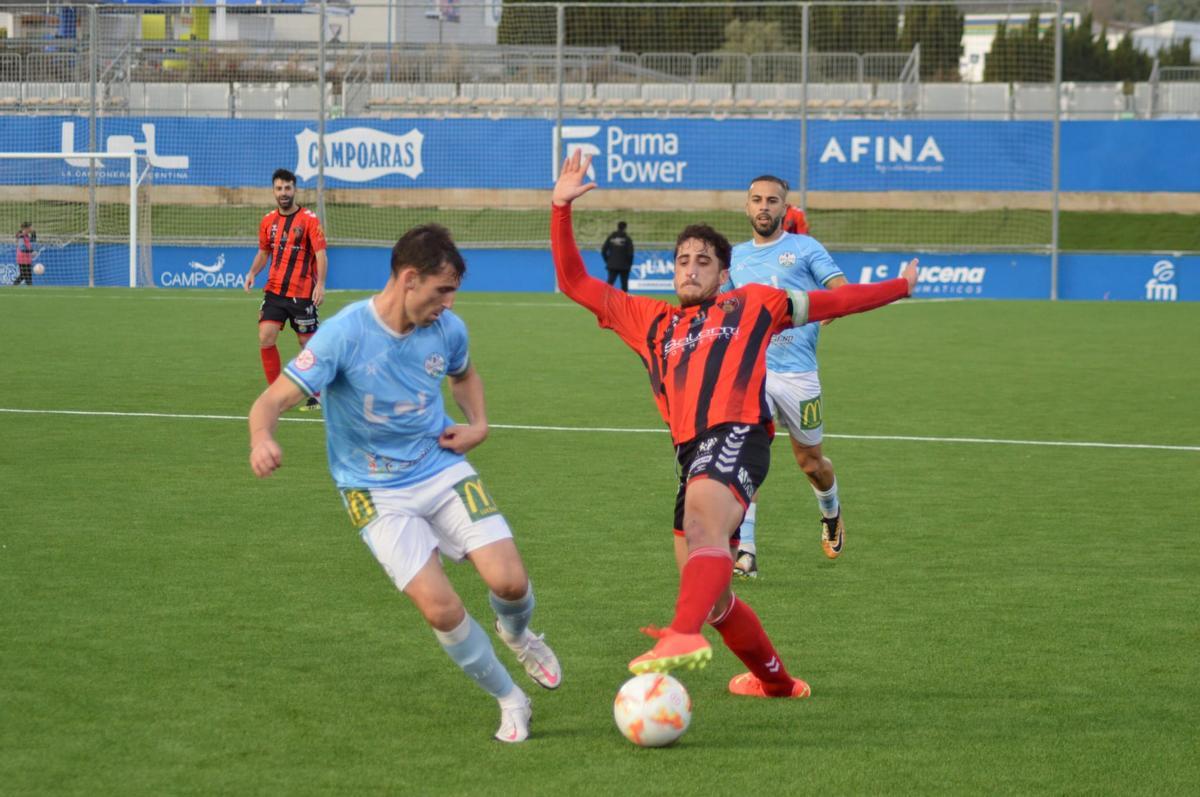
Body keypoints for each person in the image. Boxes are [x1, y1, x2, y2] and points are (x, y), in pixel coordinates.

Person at [550, 150, 915, 697]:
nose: (690, 268)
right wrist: (560, 207)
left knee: (705, 537)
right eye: (682, 260)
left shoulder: (755, 303)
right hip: (691, 455)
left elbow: (835, 300)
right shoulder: (649, 320)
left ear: (724, 274)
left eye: (703, 261)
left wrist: (899, 287)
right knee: (715, 595)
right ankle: (777, 683)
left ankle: (681, 633)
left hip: (738, 436)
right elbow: (575, 281)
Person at [248, 224, 561, 743]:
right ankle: (511, 699)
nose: (449, 304)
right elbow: (270, 401)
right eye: (442, 290)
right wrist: (262, 438)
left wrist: (479, 425)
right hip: (372, 492)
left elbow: (464, 375)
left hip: (439, 465)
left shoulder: (448, 329)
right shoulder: (344, 335)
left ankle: (519, 634)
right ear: (410, 279)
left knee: (510, 582)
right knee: (442, 609)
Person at [727, 176, 847, 579]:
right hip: (753, 372)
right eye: (757, 200)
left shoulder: (805, 248)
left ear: (784, 209)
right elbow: (722, 308)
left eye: (772, 201)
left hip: (799, 374)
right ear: (747, 207)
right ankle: (746, 550)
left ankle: (830, 512)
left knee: (810, 463)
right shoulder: (735, 258)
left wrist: (830, 307)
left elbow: (840, 289)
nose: (764, 207)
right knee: (744, 457)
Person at [244, 168, 328, 411]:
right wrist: (252, 273)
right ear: (273, 191)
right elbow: (264, 252)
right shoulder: (267, 221)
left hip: (302, 293)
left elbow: (321, 254)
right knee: (265, 336)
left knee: (307, 345)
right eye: (279, 188)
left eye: (287, 188)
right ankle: (275, 393)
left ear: (295, 190)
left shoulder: (309, 219)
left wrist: (320, 284)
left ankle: (319, 393)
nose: (283, 193)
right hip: (275, 291)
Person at [600, 220, 635, 292]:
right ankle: (624, 298)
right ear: (625, 228)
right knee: (624, 285)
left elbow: (603, 251)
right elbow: (630, 254)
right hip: (624, 266)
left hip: (612, 264)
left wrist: (608, 261)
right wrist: (630, 264)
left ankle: (605, 297)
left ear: (617, 227)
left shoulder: (611, 238)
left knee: (610, 283)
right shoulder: (627, 239)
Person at [13, 222, 35, 286]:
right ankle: (14, 285)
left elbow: (30, 244)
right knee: (25, 275)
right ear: (27, 228)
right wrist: (31, 251)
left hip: (27, 258)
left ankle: (29, 288)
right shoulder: (21, 236)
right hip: (22, 258)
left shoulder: (27, 235)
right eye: (31, 227)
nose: (32, 228)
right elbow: (22, 247)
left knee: (27, 275)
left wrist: (32, 251)